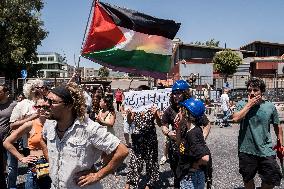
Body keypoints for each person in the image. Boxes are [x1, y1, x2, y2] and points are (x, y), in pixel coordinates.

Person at [42, 82, 128, 189]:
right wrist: (52, 160)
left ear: (69, 105)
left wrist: (97, 173)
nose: (45, 104)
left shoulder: (89, 128)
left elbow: (122, 151)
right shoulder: (49, 124)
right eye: (46, 99)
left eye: (52, 101)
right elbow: (42, 139)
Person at [232, 77, 283, 189]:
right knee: (248, 179)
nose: (252, 93)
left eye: (255, 90)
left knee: (271, 179)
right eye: (249, 90)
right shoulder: (242, 104)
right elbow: (235, 119)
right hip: (246, 149)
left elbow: (277, 126)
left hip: (266, 149)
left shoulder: (269, 106)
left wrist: (281, 144)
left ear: (261, 91)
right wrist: (249, 105)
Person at [161, 80, 212, 189]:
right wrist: (168, 132)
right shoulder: (170, 110)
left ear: (185, 93)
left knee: (191, 176)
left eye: (178, 93)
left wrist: (199, 141)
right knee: (177, 175)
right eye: (174, 93)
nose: (175, 96)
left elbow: (207, 124)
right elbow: (163, 125)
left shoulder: (191, 107)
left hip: (190, 151)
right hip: (176, 149)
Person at [4, 98, 51, 189]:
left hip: (52, 166)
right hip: (36, 166)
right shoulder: (30, 124)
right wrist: (21, 158)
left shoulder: (56, 123)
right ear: (35, 108)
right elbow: (7, 142)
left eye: (45, 106)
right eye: (38, 106)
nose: (41, 109)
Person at [8, 79, 45, 189]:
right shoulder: (22, 105)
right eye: (41, 87)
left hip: (48, 143)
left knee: (45, 174)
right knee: (35, 173)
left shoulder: (46, 102)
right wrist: (31, 118)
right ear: (33, 89)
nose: (43, 89)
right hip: (29, 144)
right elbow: (12, 125)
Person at [124, 85, 161, 189]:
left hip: (150, 138)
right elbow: (130, 121)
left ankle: (150, 183)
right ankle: (130, 183)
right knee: (135, 161)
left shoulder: (153, 106)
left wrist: (156, 115)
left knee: (151, 161)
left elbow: (159, 123)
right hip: (137, 138)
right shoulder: (135, 106)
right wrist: (128, 114)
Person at [175, 98, 211, 189]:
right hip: (187, 175)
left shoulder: (193, 134)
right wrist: (179, 126)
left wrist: (194, 166)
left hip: (191, 178)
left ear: (186, 114)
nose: (178, 112)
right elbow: (179, 143)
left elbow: (205, 158)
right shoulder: (187, 129)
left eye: (181, 110)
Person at [0, 84, 17, 189]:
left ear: (6, 93)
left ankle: (11, 186)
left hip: (10, 139)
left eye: (0, 91)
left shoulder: (14, 105)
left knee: (12, 166)